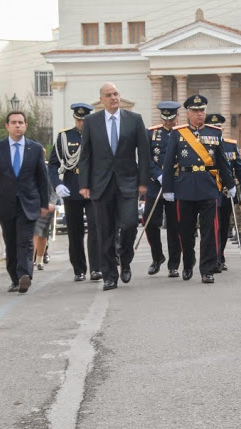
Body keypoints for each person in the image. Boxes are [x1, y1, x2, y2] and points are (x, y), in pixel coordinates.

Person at [78, 82, 150, 291]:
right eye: (109, 95)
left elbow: (144, 154)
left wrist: (143, 182)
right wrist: (84, 184)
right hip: (101, 185)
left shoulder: (134, 120)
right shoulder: (91, 122)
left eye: (116, 94)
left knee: (129, 224)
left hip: (127, 183)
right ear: (101, 99)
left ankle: (125, 259)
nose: (114, 98)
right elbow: (85, 155)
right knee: (105, 231)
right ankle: (110, 275)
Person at [161, 95, 236, 283]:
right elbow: (169, 163)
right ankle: (187, 263)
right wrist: (168, 188)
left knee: (209, 231)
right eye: (195, 111)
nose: (199, 114)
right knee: (185, 231)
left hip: (208, 188)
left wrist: (231, 184)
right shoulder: (178, 133)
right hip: (185, 188)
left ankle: (207, 269)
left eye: (202, 110)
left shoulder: (215, 133)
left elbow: (222, 163)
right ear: (188, 113)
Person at [0, 111, 49, 293]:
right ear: (7, 126)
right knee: (11, 242)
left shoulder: (34, 149)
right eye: (13, 122)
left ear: (26, 126)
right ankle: (15, 278)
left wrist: (44, 203)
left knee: (25, 241)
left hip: (29, 203)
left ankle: (25, 275)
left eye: (20, 122)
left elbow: (42, 178)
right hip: (5, 203)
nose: (17, 125)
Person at [48, 103, 102, 282]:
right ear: (75, 119)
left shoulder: (97, 135)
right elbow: (53, 165)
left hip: (93, 187)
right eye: (79, 120)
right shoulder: (64, 137)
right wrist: (57, 185)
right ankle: (79, 269)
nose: (81, 123)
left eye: (84, 120)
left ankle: (96, 268)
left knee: (95, 229)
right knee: (75, 231)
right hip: (72, 185)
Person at [204, 113, 241, 271]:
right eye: (214, 127)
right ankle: (212, 257)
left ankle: (220, 255)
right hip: (208, 190)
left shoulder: (230, 145)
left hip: (226, 193)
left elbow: (239, 168)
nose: (217, 129)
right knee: (210, 226)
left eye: (219, 127)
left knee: (223, 226)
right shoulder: (202, 145)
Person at [144, 101, 182, 278]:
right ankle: (157, 257)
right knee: (150, 223)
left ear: (177, 117)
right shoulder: (151, 134)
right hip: (155, 185)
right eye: (165, 118)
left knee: (175, 226)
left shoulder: (183, 134)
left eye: (171, 118)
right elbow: (145, 158)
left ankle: (174, 264)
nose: (168, 122)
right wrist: (158, 174)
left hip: (176, 186)